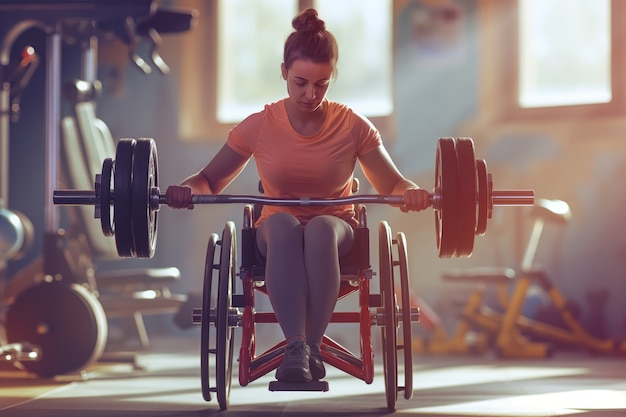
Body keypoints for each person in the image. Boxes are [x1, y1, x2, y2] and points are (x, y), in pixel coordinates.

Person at [166, 8, 430, 383]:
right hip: (276, 229)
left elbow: (393, 185)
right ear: (284, 73)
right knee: (286, 225)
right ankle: (296, 348)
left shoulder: (354, 126)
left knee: (321, 227)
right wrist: (184, 191)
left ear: (332, 76)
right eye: (300, 82)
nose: (310, 94)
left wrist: (414, 194)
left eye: (321, 84)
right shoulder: (259, 125)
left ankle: (313, 348)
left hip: (338, 230)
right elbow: (209, 179)